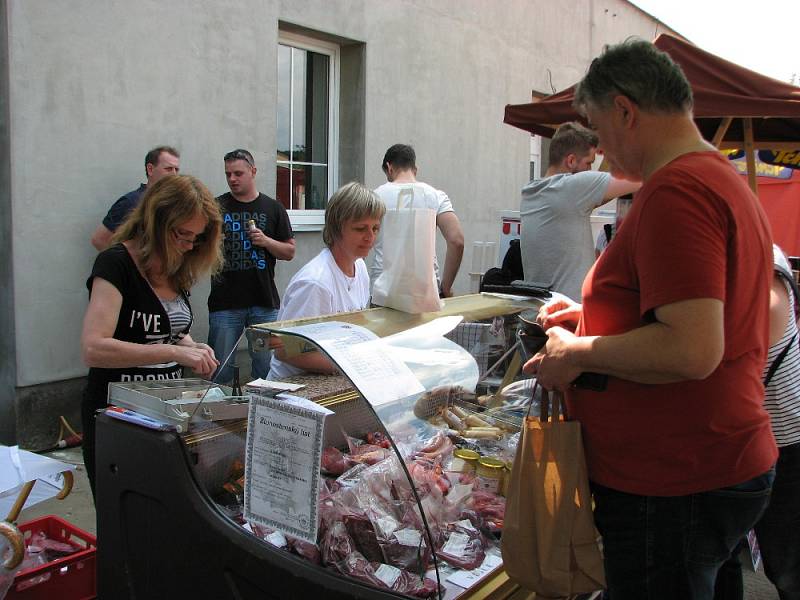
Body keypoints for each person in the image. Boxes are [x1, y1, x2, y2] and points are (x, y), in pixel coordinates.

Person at [523, 39, 776, 599]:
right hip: (708, 467)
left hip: (675, 479)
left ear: (626, 111)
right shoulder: (715, 177)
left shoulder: (677, 190)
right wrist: (592, 315)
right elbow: (694, 306)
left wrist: (576, 352)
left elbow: (691, 348)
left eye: (598, 130)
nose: (602, 153)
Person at [81, 174, 223, 498]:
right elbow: (94, 348)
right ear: (155, 221)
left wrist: (190, 345)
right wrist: (173, 353)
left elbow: (169, 332)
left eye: (195, 239)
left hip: (162, 412)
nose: (188, 246)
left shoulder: (175, 267)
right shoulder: (116, 263)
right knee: (123, 511)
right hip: (116, 415)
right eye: (181, 235)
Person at [715, 245, 800, 600]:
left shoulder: (763, 255)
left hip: (786, 438)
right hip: (732, 440)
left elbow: (766, 323)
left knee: (788, 566)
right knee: (722, 559)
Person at [268, 182, 385, 379]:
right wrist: (355, 363)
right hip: (293, 389)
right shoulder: (315, 282)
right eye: (360, 229)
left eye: (375, 228)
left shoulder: (360, 268)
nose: (370, 237)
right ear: (337, 228)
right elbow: (284, 350)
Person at [520, 122, 639, 300]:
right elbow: (640, 179)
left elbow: (599, 194)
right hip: (570, 313)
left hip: (541, 310)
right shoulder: (572, 187)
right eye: (589, 163)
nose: (590, 170)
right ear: (571, 161)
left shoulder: (533, 192)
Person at [207, 149, 295, 383]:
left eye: (238, 173)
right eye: (228, 174)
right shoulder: (216, 207)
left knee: (266, 369)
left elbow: (289, 251)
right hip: (225, 302)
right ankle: (219, 417)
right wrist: (212, 244)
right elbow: (196, 249)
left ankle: (262, 415)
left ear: (253, 172)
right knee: (220, 370)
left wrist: (266, 241)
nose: (233, 179)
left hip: (263, 301)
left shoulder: (273, 207)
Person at [370, 144, 464, 297]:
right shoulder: (436, 196)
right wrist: (445, 288)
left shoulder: (374, 197)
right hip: (425, 292)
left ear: (389, 167)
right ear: (415, 169)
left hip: (383, 290)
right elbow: (457, 241)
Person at [90, 146, 181, 251]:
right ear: (150, 169)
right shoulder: (130, 202)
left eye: (176, 170)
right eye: (168, 169)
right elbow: (99, 240)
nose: (174, 175)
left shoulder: (173, 204)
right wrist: (128, 264)